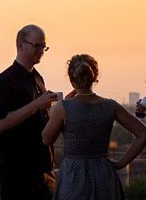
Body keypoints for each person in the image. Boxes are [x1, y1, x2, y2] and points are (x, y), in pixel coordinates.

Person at [42, 54, 146, 199]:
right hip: (104, 175)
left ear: (72, 80)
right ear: (95, 77)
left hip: (73, 176)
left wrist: (57, 111)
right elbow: (143, 133)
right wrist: (121, 163)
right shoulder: (110, 106)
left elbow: (46, 139)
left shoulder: (64, 108)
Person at [0, 24, 58, 199]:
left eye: (44, 47)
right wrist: (36, 105)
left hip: (43, 170)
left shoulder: (38, 78)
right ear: (20, 45)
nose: (41, 51)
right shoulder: (3, 82)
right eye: (37, 46)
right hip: (17, 174)